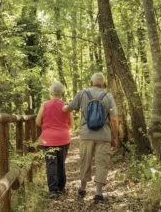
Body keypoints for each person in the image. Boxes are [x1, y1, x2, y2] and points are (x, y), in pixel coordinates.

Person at [63, 72, 118, 203]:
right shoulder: (108, 96)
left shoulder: (82, 93)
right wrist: (114, 137)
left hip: (86, 134)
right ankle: (98, 193)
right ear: (103, 84)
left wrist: (63, 105)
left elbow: (69, 109)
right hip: (104, 135)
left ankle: (82, 189)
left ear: (91, 82)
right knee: (101, 162)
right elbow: (114, 119)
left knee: (85, 160)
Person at [36, 82, 74, 198]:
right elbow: (72, 124)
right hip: (63, 138)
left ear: (51, 93)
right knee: (61, 162)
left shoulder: (45, 104)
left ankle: (53, 190)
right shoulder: (67, 106)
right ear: (62, 93)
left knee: (51, 163)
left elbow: (38, 122)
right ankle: (61, 187)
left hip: (48, 139)